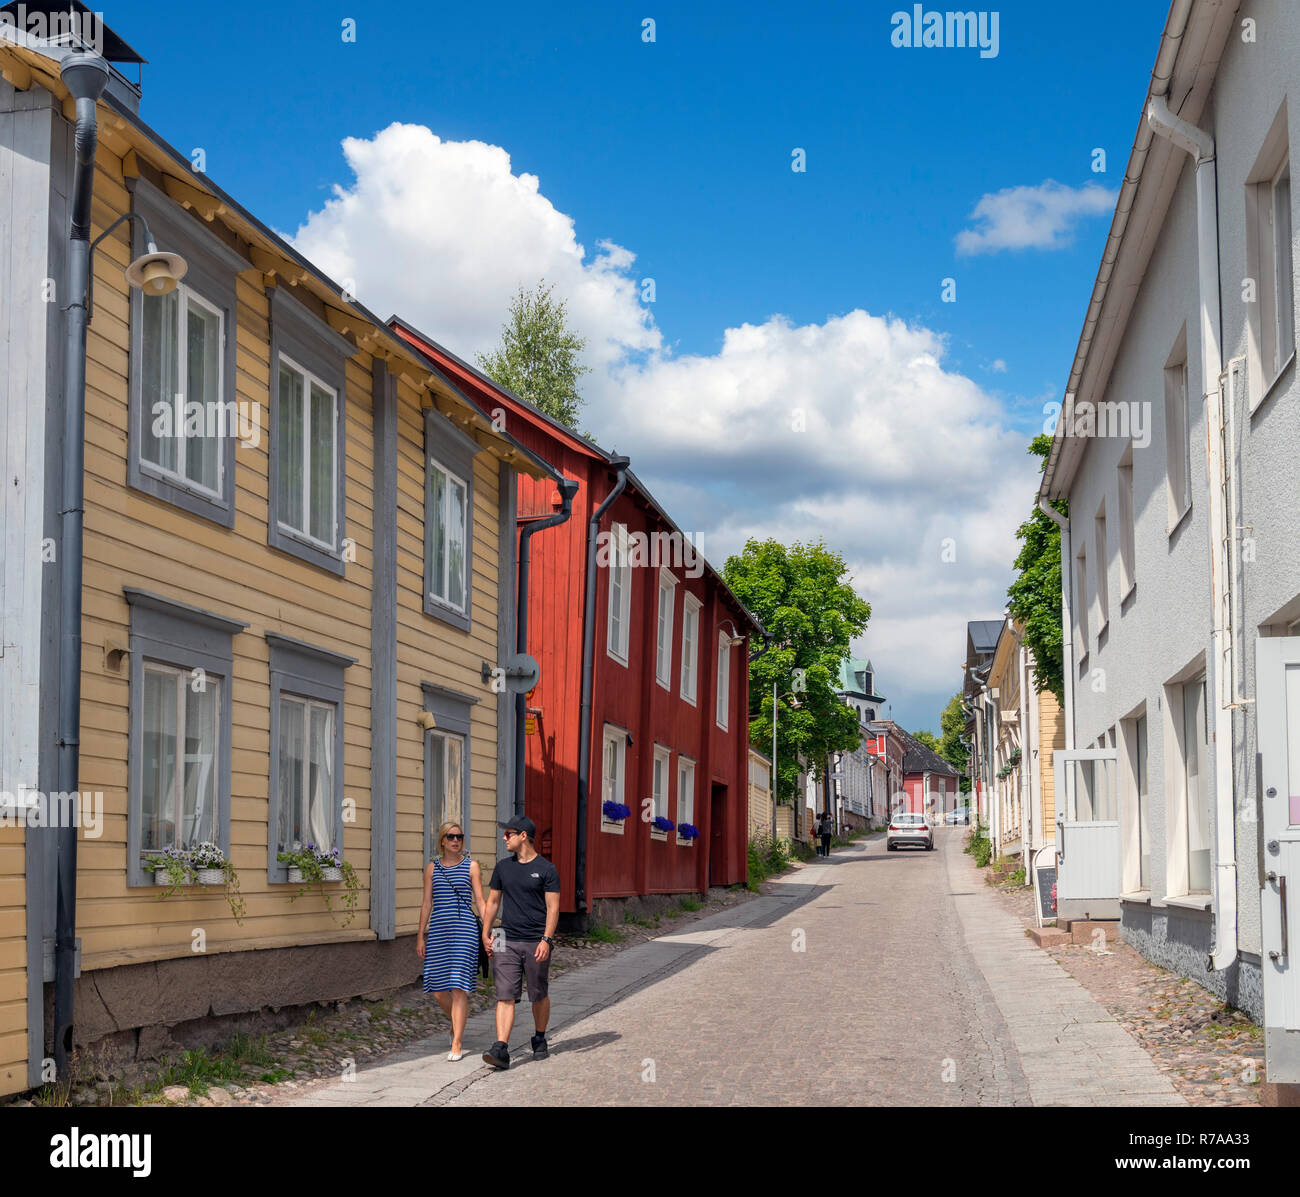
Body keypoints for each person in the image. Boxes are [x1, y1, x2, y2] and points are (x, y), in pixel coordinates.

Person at [480, 815, 561, 1070]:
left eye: (509, 834)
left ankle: (539, 1038)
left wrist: (546, 939)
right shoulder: (503, 867)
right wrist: (486, 932)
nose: (505, 838)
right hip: (505, 937)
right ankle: (501, 1048)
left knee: (538, 993)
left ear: (523, 835)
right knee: (505, 995)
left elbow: (553, 908)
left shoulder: (547, 869)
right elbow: (493, 902)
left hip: (536, 938)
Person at [417, 821, 485, 1061]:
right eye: (451, 837)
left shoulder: (471, 867)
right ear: (442, 841)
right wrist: (420, 936)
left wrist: (487, 931)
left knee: (458, 986)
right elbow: (427, 903)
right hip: (438, 931)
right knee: (437, 989)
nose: (456, 840)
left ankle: (456, 1042)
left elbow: (479, 900)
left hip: (464, 930)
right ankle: (457, 1020)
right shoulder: (432, 869)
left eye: (459, 836)